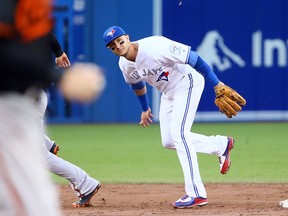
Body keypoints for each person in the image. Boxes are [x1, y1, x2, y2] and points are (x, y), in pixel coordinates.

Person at [103, 26, 246, 209]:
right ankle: (220, 145)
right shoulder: (125, 65)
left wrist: (217, 84)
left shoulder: (155, 46)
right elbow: (137, 84)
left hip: (188, 83)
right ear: (111, 50)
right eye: (113, 45)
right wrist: (145, 108)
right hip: (168, 93)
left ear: (128, 38)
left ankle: (196, 193)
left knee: (179, 134)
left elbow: (194, 58)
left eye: (120, 41)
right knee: (169, 140)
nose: (118, 46)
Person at [39, 32, 101, 208]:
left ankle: (85, 183)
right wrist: (59, 53)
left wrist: (58, 56)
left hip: (26, 100)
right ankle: (47, 144)